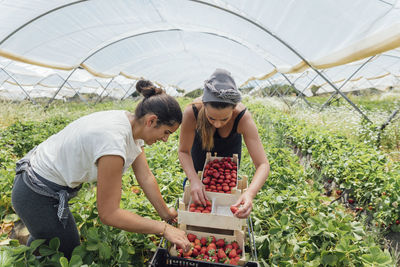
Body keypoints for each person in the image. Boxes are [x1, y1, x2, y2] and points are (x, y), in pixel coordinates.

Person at [11, 80, 191, 259]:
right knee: (68, 251)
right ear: (152, 121)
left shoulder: (132, 125)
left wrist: (166, 214)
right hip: (35, 192)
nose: (166, 139)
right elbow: (109, 214)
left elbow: (145, 176)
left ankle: (31, 245)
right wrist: (163, 228)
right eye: (167, 132)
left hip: (42, 181)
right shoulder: (113, 141)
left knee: (48, 240)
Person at [178, 69, 270, 219]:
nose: (218, 124)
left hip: (227, 173)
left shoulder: (242, 118)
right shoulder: (192, 112)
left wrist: (250, 194)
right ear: (204, 105)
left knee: (225, 215)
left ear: (234, 108)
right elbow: (183, 151)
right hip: (198, 170)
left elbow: (263, 164)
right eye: (211, 118)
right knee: (196, 215)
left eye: (225, 119)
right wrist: (194, 180)